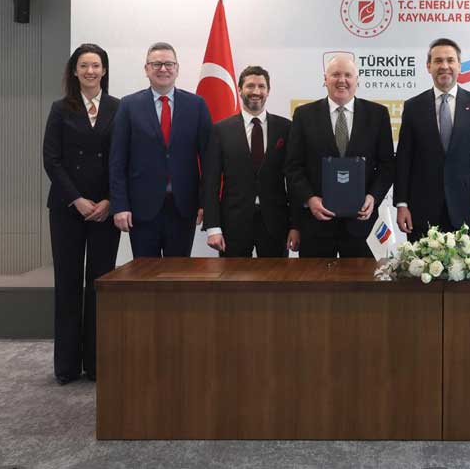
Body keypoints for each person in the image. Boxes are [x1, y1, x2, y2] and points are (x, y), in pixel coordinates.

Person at [42, 43, 121, 385]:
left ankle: (97, 364)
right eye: (84, 65)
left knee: (100, 284)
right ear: (74, 71)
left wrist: (109, 201)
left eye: (96, 65)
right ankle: (67, 365)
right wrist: (77, 199)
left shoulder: (119, 108)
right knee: (68, 283)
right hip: (67, 208)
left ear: (104, 70)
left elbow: (123, 159)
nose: (90, 71)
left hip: (105, 210)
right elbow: (51, 160)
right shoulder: (60, 109)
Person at [284, 55, 395, 257]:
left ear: (357, 80)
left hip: (362, 226)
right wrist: (310, 199)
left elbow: (387, 165)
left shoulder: (377, 114)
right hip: (316, 225)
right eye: (335, 74)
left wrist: (373, 197)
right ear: (325, 79)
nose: (342, 80)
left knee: (360, 278)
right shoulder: (303, 115)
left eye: (348, 75)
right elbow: (293, 167)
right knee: (316, 278)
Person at [109, 42, 212, 257]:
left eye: (168, 64)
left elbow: (209, 159)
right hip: (141, 208)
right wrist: (120, 205)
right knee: (145, 273)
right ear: (146, 69)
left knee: (178, 272)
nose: (163, 69)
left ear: (177, 68)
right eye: (156, 64)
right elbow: (117, 161)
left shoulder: (197, 105)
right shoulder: (128, 105)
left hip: (184, 207)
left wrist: (206, 203)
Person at [394, 38, 470, 241]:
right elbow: (404, 159)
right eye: (438, 61)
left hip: (466, 208)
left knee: (465, 263)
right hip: (421, 210)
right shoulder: (413, 107)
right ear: (428, 66)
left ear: (459, 66)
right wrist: (401, 204)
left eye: (450, 60)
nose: (444, 66)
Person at [203, 66, 299, 257]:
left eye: (261, 86)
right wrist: (213, 226)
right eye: (250, 86)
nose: (256, 91)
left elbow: (294, 179)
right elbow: (211, 181)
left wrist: (296, 225)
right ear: (240, 90)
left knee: (275, 276)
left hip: (276, 223)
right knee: (233, 276)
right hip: (233, 224)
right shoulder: (220, 130)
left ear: (268, 91)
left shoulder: (286, 128)